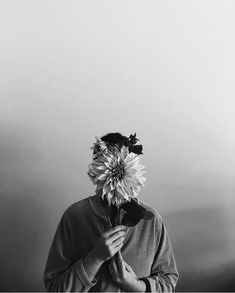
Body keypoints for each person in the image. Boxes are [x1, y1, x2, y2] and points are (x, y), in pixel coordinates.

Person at [43, 132, 179, 292]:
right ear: (95, 171)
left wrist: (135, 285)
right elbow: (54, 288)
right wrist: (94, 258)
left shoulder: (151, 220)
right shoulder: (74, 216)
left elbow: (168, 281)